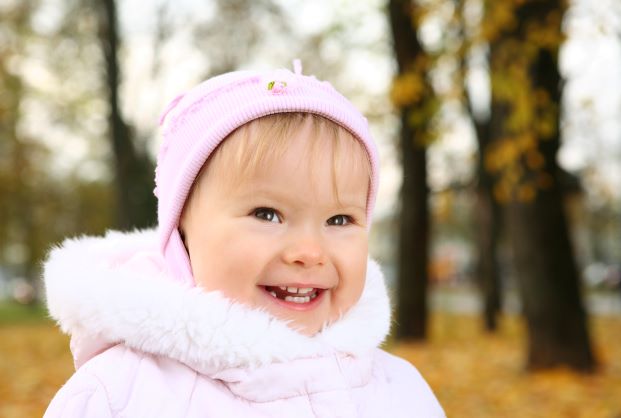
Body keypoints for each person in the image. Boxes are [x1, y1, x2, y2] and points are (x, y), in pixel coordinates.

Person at [43, 62, 445, 417]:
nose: (309, 253)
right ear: (182, 227)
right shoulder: (118, 397)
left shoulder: (401, 392)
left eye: (339, 219)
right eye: (267, 214)